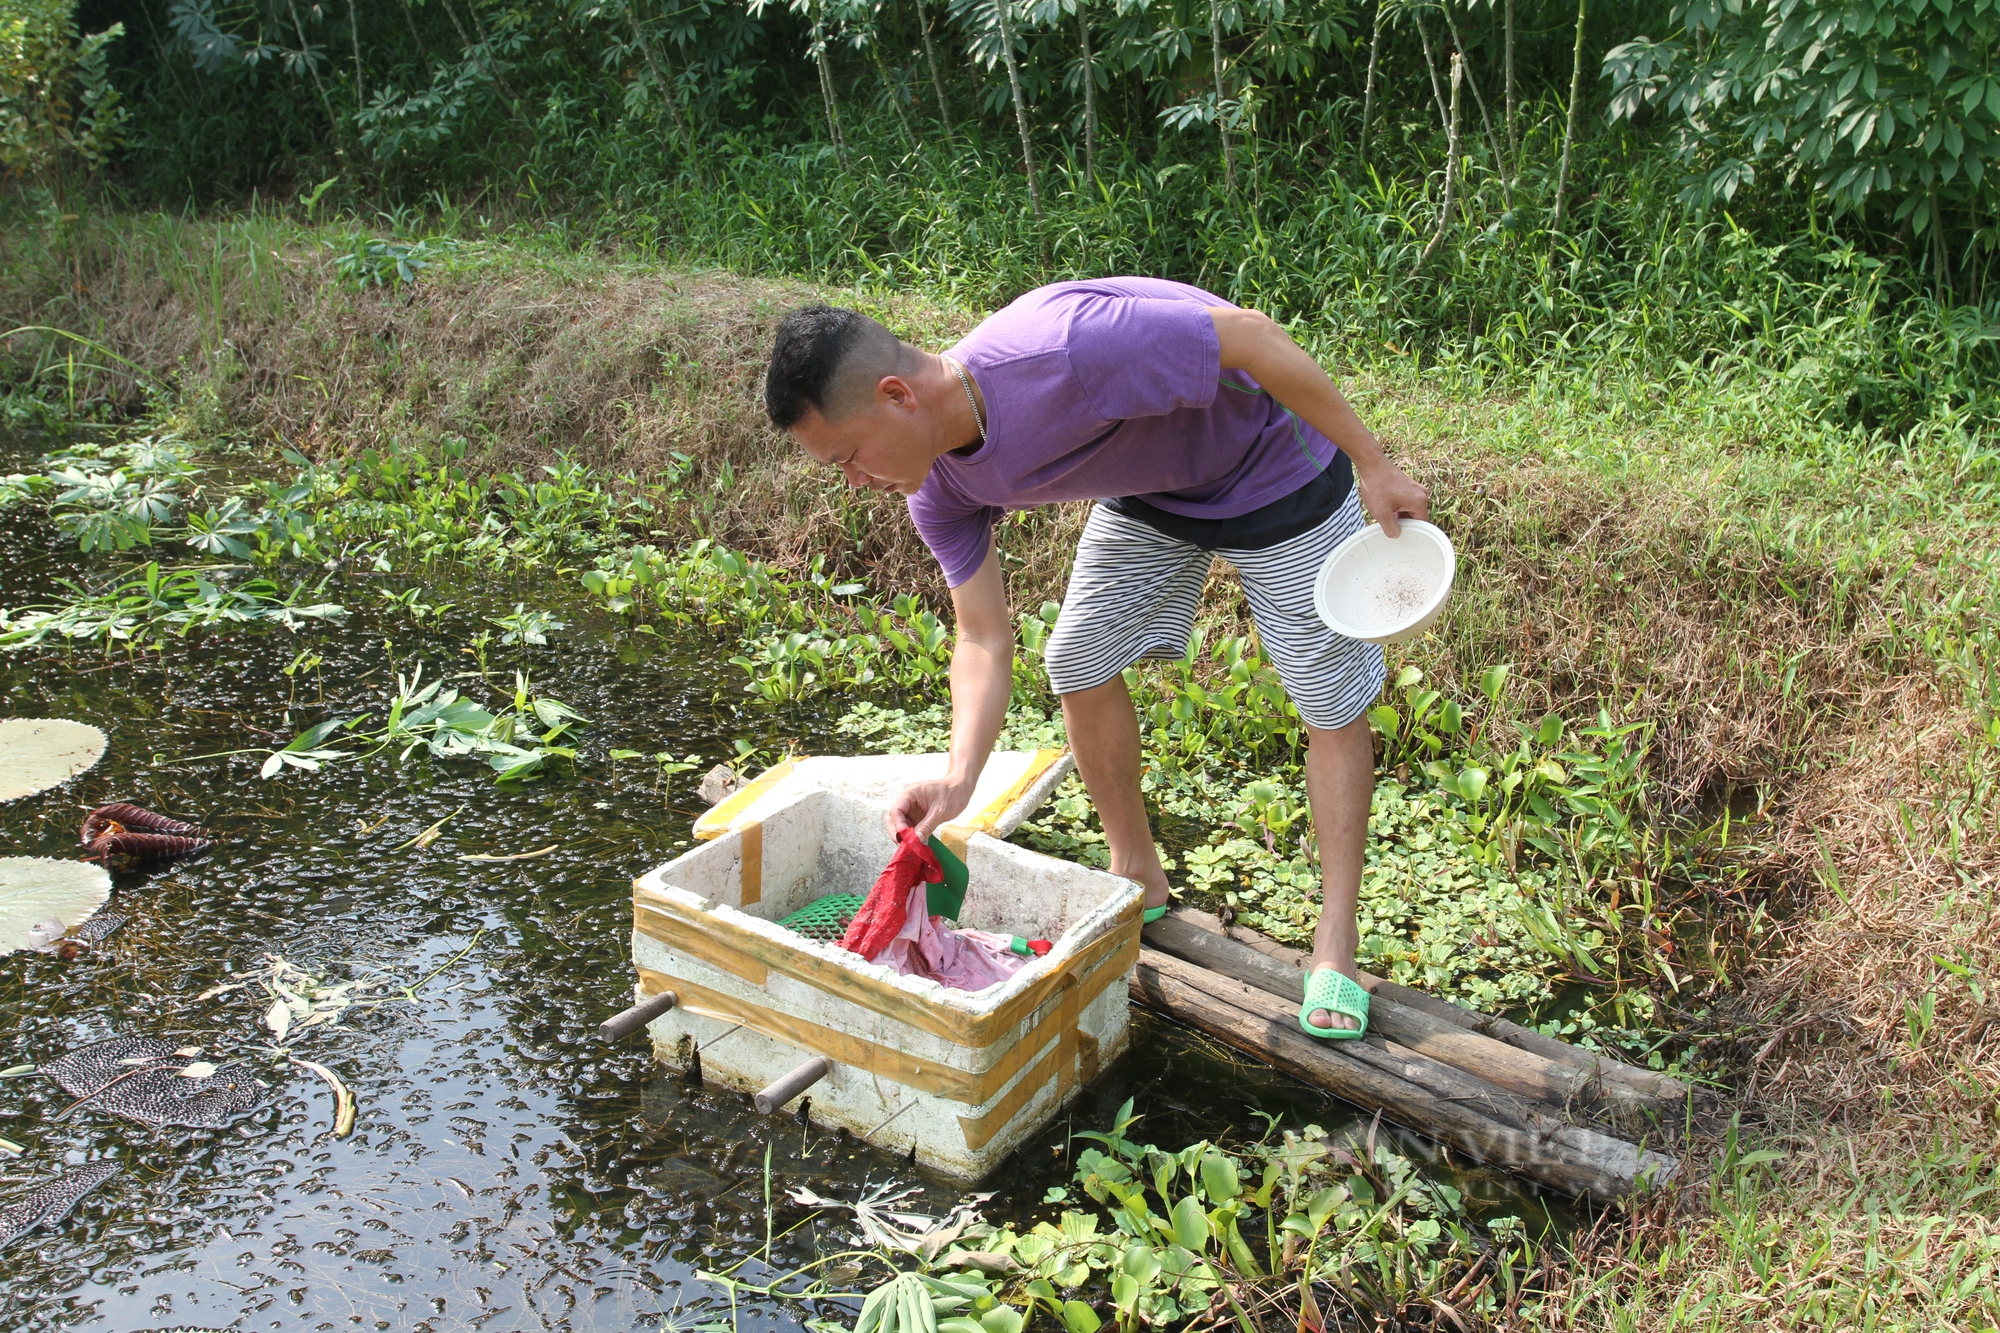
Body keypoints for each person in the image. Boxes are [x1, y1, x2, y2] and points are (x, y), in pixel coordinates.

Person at [762, 278, 1429, 1039]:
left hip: (1276, 466)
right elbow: (983, 637)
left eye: (849, 457)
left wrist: (1372, 461)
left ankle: (1335, 947)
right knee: (1078, 654)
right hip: (1154, 490)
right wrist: (958, 777)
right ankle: (1136, 872)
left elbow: (1252, 336)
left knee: (1329, 698)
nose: (853, 483)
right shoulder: (937, 490)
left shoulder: (1067, 349)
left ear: (897, 396)